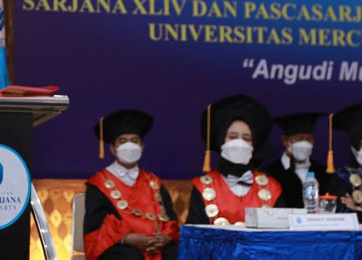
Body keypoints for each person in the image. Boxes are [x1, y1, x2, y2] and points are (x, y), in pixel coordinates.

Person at [83, 110, 179, 260]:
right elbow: (96, 228)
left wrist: (165, 237)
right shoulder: (98, 184)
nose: (129, 145)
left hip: (157, 246)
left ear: (142, 146)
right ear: (113, 148)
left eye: (134, 141)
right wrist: (126, 239)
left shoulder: (154, 181)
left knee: (178, 254)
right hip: (118, 247)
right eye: (122, 141)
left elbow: (171, 218)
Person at [185, 94, 284, 225]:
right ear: (221, 141)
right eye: (232, 137)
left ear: (253, 145)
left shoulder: (271, 187)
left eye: (247, 138)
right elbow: (195, 236)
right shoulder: (203, 187)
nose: (239, 143)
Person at [264, 113, 330, 208]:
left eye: (309, 139)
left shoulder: (324, 172)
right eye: (299, 139)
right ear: (285, 140)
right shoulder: (270, 173)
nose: (304, 143)